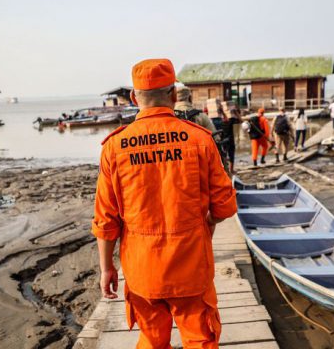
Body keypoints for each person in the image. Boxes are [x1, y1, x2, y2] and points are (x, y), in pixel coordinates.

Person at [93, 59, 237, 349]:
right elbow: (224, 204)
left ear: (134, 98)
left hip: (142, 268)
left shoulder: (114, 147)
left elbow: (106, 219)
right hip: (191, 266)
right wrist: (207, 224)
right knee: (200, 340)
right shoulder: (200, 139)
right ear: (173, 95)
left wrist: (106, 267)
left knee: (152, 341)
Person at [219, 107, 240, 174]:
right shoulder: (230, 121)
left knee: (224, 155)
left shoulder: (220, 122)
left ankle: (227, 170)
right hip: (229, 141)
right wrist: (236, 112)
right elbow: (240, 120)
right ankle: (230, 170)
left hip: (223, 141)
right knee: (230, 155)